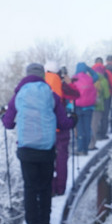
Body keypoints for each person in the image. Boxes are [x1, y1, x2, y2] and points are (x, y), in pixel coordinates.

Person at [1, 62, 74, 224]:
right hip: (47, 148)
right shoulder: (51, 94)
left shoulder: (19, 95)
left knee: (30, 187)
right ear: (42, 76)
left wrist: (3, 115)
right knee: (45, 186)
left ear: (27, 75)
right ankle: (45, 223)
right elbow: (64, 123)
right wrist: (74, 120)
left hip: (26, 149)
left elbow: (8, 123)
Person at [44, 60, 79, 195]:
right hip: (61, 127)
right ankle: (60, 188)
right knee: (62, 158)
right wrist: (69, 82)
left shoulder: (40, 84)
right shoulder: (62, 85)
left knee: (48, 159)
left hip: (46, 128)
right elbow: (76, 95)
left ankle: (51, 188)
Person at [71, 62, 98, 156]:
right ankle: (86, 149)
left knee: (79, 129)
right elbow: (96, 75)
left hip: (78, 107)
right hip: (89, 107)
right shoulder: (90, 79)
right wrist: (88, 68)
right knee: (87, 128)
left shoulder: (74, 78)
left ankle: (80, 149)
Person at [90, 58, 112, 143]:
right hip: (100, 104)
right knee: (98, 121)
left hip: (90, 104)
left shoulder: (90, 77)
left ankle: (86, 142)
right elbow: (107, 95)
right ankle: (96, 139)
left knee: (91, 123)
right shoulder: (104, 80)